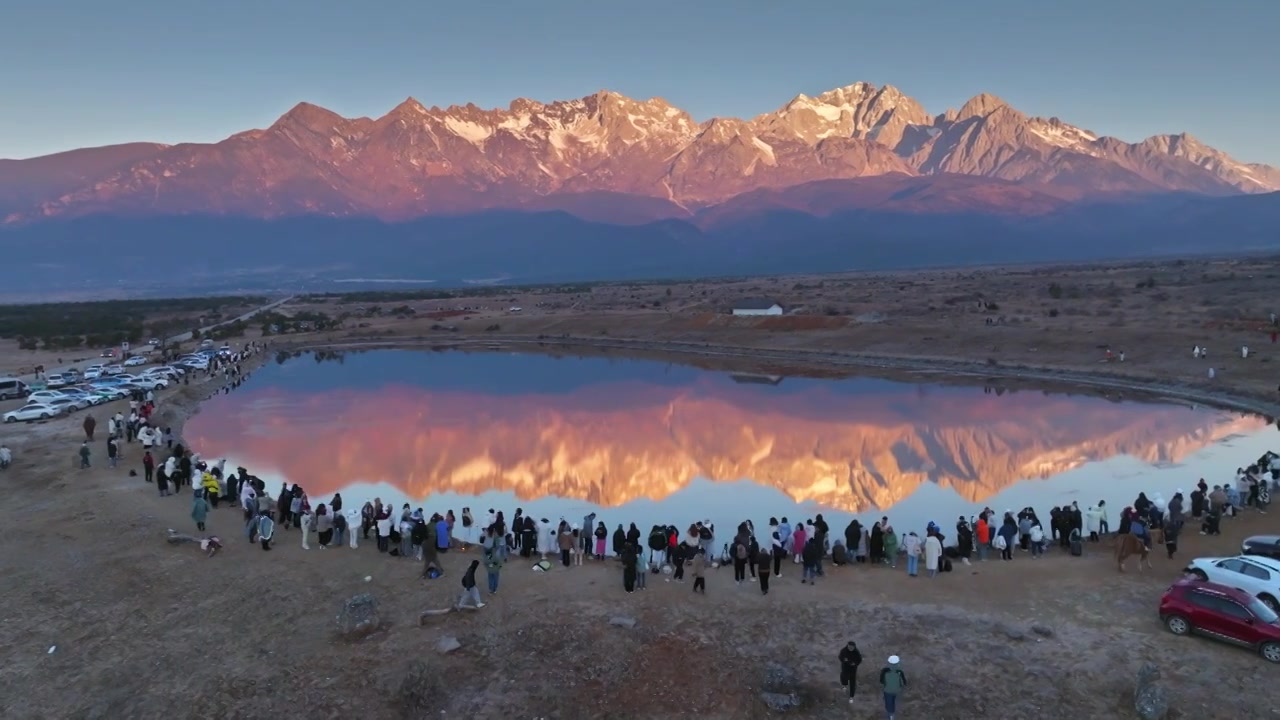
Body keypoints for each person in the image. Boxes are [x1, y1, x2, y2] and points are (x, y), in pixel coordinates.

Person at [879, 655, 906, 720]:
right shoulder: (900, 672)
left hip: (887, 691)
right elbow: (904, 682)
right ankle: (893, 714)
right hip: (897, 691)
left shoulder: (884, 671)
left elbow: (881, 681)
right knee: (895, 703)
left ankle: (891, 716)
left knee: (889, 705)